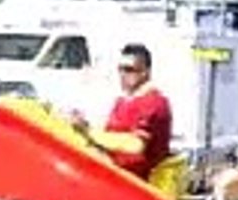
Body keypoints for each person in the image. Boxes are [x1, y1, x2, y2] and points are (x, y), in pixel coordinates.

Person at [71, 43, 173, 180]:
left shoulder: (154, 103)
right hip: (116, 173)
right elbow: (107, 137)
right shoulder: (123, 101)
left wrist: (89, 132)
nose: (123, 75)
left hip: (137, 181)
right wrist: (84, 132)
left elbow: (135, 145)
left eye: (129, 69)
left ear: (145, 72)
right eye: (120, 69)